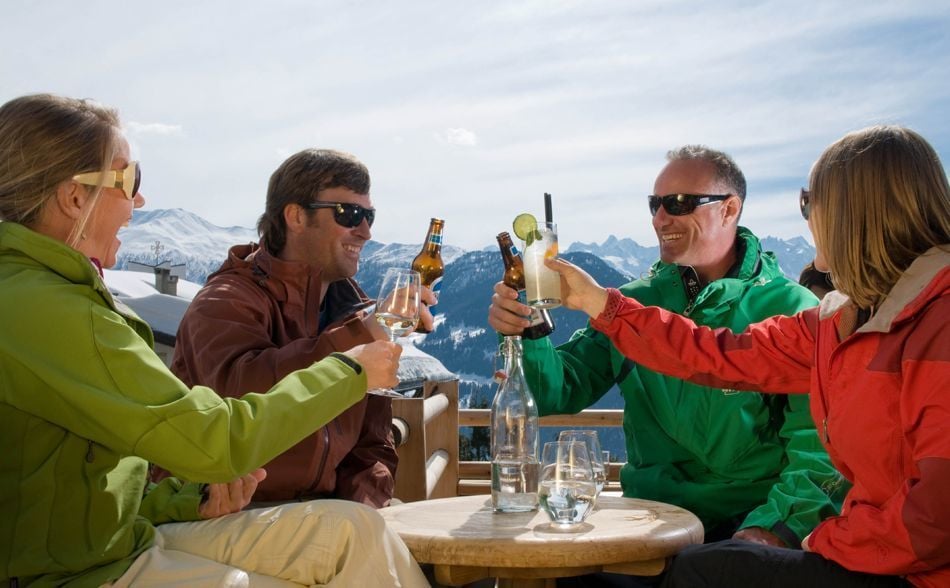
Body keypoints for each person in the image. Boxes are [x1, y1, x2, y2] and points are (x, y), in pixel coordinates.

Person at [0, 94, 428, 587]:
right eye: (128, 180)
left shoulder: (57, 298)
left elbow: (81, 481)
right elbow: (217, 433)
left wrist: (191, 498)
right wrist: (351, 366)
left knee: (354, 530)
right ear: (74, 197)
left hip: (120, 542)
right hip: (74, 573)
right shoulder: (50, 311)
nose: (139, 201)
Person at [546, 125, 949, 586]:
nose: (807, 217)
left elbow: (935, 517)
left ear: (856, 212)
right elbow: (720, 355)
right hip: (869, 551)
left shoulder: (937, 323)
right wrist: (603, 305)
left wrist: (818, 539)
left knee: (706, 572)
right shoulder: (842, 320)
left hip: (909, 570)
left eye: (808, 201)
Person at [489, 146, 844, 554]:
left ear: (729, 209)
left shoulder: (789, 308)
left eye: (678, 204)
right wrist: (529, 332)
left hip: (744, 524)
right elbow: (556, 392)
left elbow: (819, 446)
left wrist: (776, 528)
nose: (660, 218)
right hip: (646, 520)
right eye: (655, 204)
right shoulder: (629, 302)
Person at [163, 149, 434, 508]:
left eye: (369, 215)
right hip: (225, 508)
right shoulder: (226, 300)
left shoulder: (349, 308)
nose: (366, 231)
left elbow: (373, 444)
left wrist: (365, 507)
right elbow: (240, 399)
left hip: (316, 513)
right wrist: (361, 337)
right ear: (295, 216)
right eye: (349, 214)